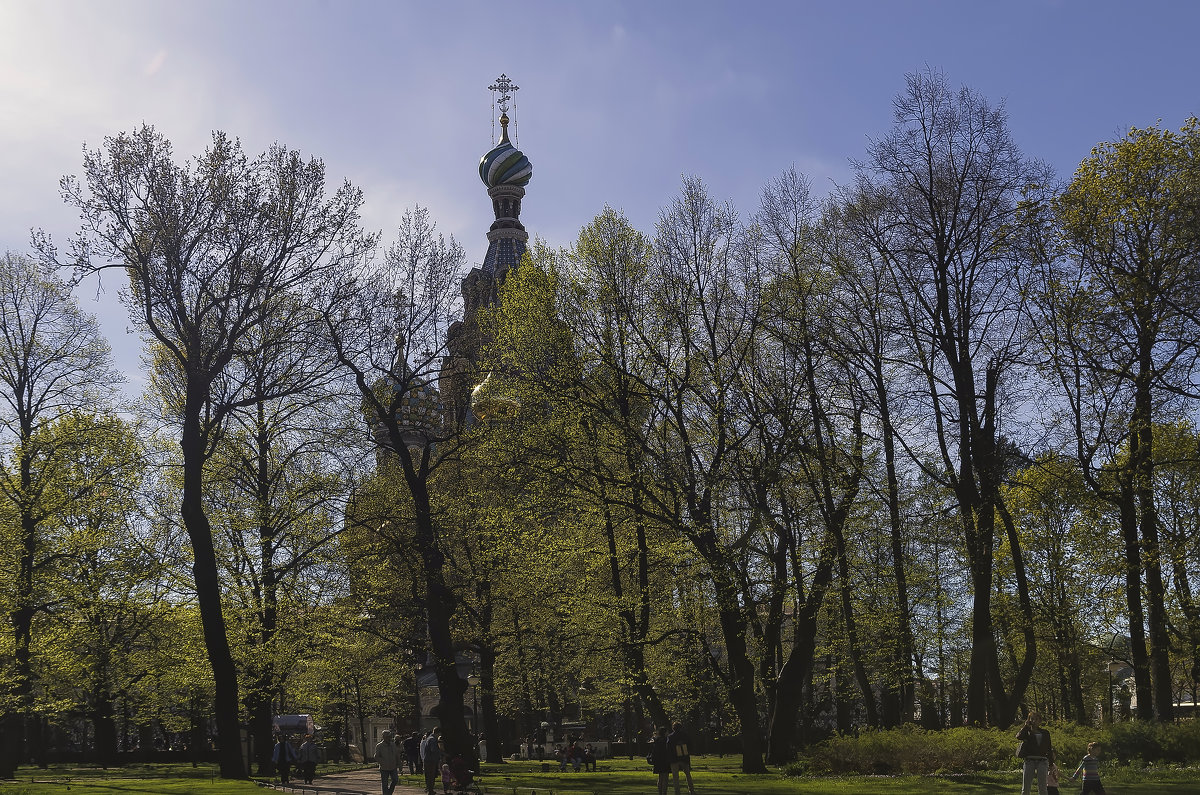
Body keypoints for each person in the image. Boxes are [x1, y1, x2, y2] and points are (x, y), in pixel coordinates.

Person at [1015, 711, 1055, 795]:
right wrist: (1026, 726)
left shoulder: (1045, 733)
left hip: (1042, 761)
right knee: (1025, 788)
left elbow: (1049, 748)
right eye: (1032, 719)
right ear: (1029, 720)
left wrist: (1051, 764)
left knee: (1042, 788)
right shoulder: (1027, 732)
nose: (1034, 721)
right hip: (1029, 760)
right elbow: (1019, 737)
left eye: (1036, 719)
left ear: (1040, 720)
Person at [668, 721, 696, 795]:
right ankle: (691, 790)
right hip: (684, 757)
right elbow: (690, 745)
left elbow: (668, 748)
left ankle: (677, 792)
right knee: (688, 774)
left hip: (674, 758)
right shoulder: (685, 735)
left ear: (673, 728)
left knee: (675, 776)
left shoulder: (670, 737)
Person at [375, 729, 401, 795]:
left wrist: (399, 764)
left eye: (389, 736)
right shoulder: (379, 746)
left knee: (395, 780)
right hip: (384, 768)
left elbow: (397, 755)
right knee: (385, 783)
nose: (389, 738)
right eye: (387, 737)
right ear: (383, 737)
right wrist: (382, 762)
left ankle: (389, 793)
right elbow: (376, 756)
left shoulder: (393, 745)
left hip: (393, 766)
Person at [650, 725, 674, 795]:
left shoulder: (656, 740)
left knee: (660, 777)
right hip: (666, 760)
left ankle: (660, 792)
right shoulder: (667, 740)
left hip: (658, 760)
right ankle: (664, 792)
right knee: (665, 778)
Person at [421, 727, 443, 795]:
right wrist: (441, 752)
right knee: (431, 776)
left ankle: (429, 789)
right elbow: (433, 750)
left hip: (427, 759)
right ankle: (430, 790)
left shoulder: (429, 738)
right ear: (438, 733)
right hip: (431, 760)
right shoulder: (433, 740)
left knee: (428, 776)